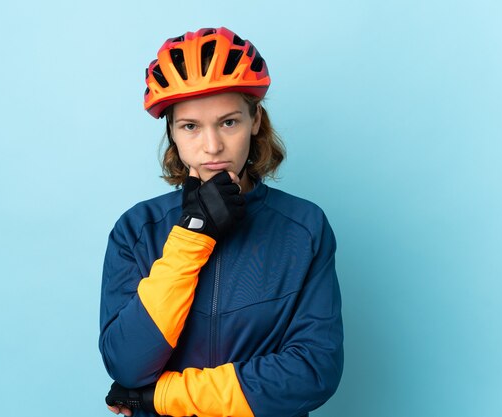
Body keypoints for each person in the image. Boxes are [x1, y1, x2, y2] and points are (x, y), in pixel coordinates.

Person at [99, 27, 343, 417]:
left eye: (229, 122)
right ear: (173, 133)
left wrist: (160, 397)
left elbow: (313, 371)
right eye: (190, 126)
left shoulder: (304, 226)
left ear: (256, 119)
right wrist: (192, 235)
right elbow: (128, 363)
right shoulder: (137, 228)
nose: (212, 146)